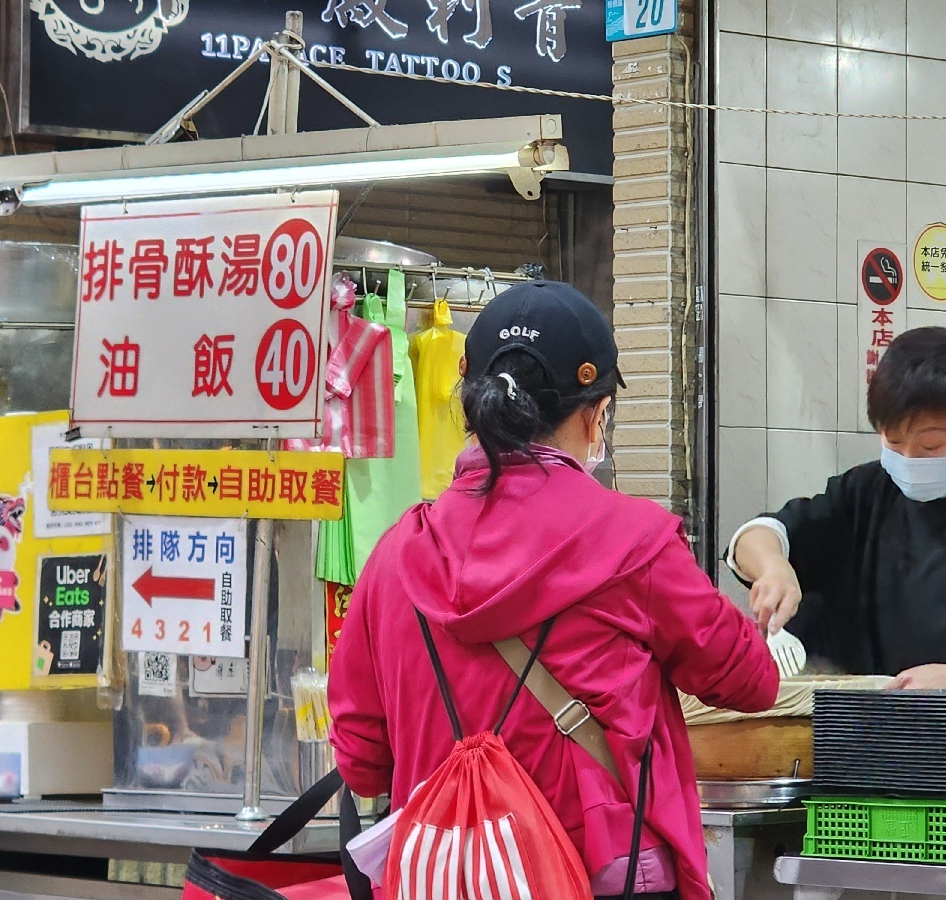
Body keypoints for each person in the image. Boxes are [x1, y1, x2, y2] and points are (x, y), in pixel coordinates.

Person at [328, 282, 779, 900]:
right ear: (596, 414)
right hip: (602, 873)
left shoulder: (395, 557)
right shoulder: (634, 543)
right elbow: (751, 681)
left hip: (444, 878)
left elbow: (362, 761)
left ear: (472, 402)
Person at [729, 326, 946, 689]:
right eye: (893, 442)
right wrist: (773, 568)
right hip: (867, 729)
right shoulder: (865, 493)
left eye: (931, 446)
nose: (908, 459)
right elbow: (760, 534)